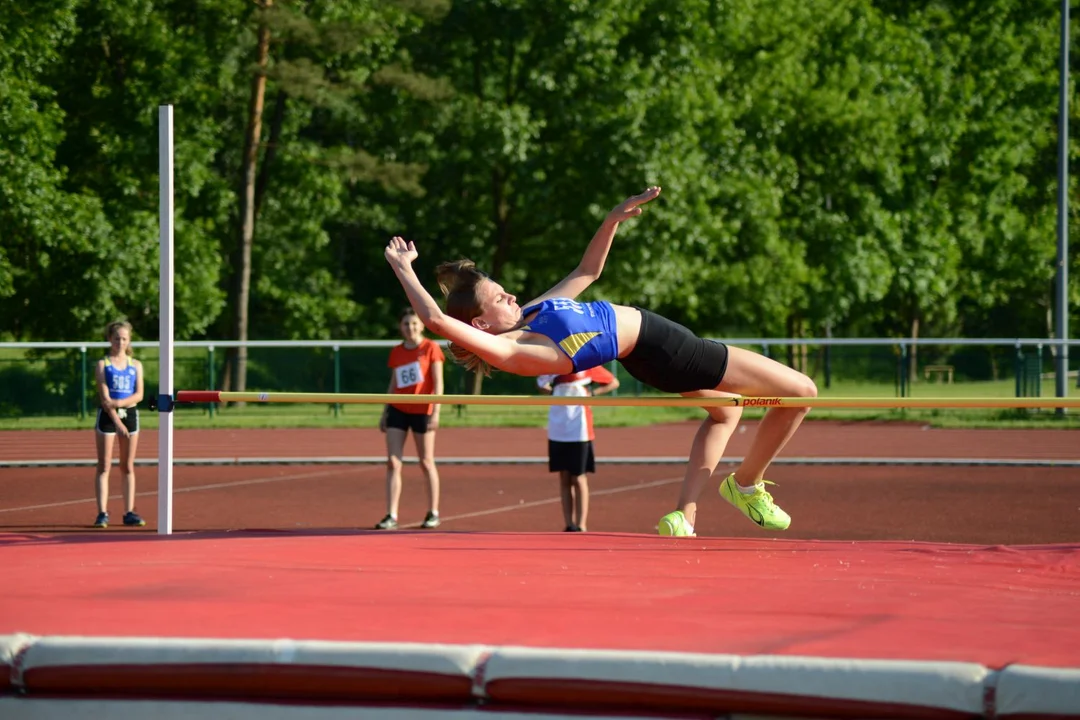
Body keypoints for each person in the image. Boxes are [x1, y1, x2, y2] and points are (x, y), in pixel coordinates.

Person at [384, 186, 818, 537]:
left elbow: (586, 272)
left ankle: (684, 517)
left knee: (724, 415)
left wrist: (611, 220)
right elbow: (435, 320)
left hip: (651, 354)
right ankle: (746, 483)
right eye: (500, 297)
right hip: (668, 349)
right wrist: (404, 269)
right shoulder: (514, 350)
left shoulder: (533, 313)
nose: (512, 295)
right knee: (802, 392)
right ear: (479, 325)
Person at [375, 308, 445, 530]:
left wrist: (436, 412)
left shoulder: (431, 348)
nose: (410, 328)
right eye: (406, 324)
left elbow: (438, 384)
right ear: (401, 327)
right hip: (398, 409)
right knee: (393, 462)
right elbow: (393, 384)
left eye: (414, 324)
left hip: (422, 411)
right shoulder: (396, 352)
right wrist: (385, 411)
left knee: (426, 462)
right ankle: (391, 514)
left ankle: (433, 512)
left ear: (422, 326)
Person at [537, 366, 620, 532]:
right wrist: (551, 392)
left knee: (579, 478)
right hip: (558, 427)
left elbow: (613, 382)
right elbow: (540, 384)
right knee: (564, 477)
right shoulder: (552, 363)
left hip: (580, 428)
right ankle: (569, 524)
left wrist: (594, 393)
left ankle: (581, 525)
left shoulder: (587, 364)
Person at [92, 320, 146, 529]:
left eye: (124, 338)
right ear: (109, 339)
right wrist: (116, 420)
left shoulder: (135, 365)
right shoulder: (103, 365)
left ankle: (129, 511)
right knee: (104, 465)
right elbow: (105, 399)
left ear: (129, 340)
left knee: (127, 466)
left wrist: (120, 404)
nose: (120, 342)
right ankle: (102, 513)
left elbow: (139, 394)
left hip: (130, 414)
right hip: (108, 417)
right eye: (116, 338)